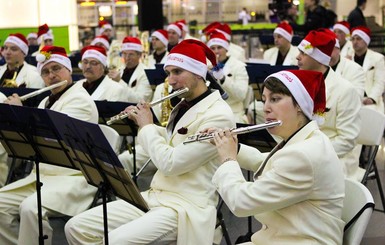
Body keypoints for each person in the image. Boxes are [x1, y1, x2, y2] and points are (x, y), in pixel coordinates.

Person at [64, 39, 236, 245]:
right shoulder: (184, 104)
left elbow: (171, 163)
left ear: (199, 73)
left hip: (186, 205)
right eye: (169, 73)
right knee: (75, 227)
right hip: (156, 195)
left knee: (116, 241)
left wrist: (146, 127)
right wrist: (145, 122)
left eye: (177, 72)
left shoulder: (219, 115)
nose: (170, 81)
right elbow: (173, 140)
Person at [211, 69, 345, 244]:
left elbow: (241, 203)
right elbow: (266, 161)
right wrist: (232, 147)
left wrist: (228, 159)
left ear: (299, 106)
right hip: (283, 236)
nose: (265, 108)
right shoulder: (307, 137)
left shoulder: (303, 155)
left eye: (275, 99)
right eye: (264, 99)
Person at [0, 45, 99, 245]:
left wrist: (19, 115)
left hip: (73, 177)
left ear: (69, 70)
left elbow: (52, 136)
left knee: (31, 208)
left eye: (56, 69)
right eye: (45, 71)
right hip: (42, 176)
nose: (51, 75)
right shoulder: (46, 100)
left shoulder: (81, 100)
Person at [297, 29, 363, 181]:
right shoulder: (298, 85)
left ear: (319, 59)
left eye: (304, 53)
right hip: (302, 153)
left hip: (335, 158)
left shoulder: (345, 90)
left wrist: (310, 152)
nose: (297, 57)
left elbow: (347, 140)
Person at [207, 31, 249, 123]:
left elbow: (241, 95)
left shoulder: (239, 66)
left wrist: (223, 78)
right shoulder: (206, 66)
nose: (216, 51)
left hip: (233, 112)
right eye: (213, 48)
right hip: (212, 112)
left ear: (226, 49)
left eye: (219, 47)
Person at [108, 36, 153, 103]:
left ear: (139, 55)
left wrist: (119, 81)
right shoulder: (120, 70)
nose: (127, 58)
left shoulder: (146, 73)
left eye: (131, 54)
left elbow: (141, 100)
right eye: (124, 54)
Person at [351, 26, 385, 113]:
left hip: (370, 100)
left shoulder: (377, 58)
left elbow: (380, 81)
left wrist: (372, 98)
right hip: (351, 101)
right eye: (353, 39)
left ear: (366, 41)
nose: (355, 42)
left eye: (358, 39)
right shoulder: (347, 59)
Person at [328, 29, 365, 98]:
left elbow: (357, 97)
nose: (327, 54)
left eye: (330, 49)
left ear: (338, 50)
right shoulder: (318, 66)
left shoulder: (355, 69)